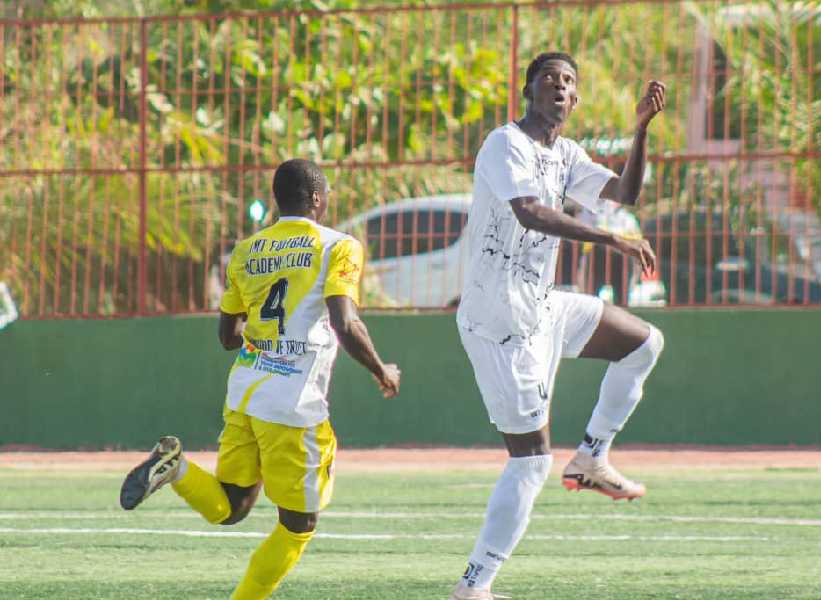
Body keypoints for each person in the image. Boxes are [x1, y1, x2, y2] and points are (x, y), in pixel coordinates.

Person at [119, 158, 401, 600]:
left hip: (245, 392)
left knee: (231, 507)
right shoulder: (338, 246)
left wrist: (265, 335)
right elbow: (345, 322)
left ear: (278, 200)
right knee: (298, 526)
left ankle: (177, 468)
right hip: (293, 403)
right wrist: (382, 370)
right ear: (317, 199)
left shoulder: (247, 252)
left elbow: (227, 337)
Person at [450, 52, 666, 600]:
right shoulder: (505, 144)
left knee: (643, 343)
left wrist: (640, 130)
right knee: (530, 462)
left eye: (569, 81)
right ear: (529, 90)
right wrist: (612, 238)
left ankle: (592, 456)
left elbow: (625, 194)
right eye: (549, 78)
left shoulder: (566, 154)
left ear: (576, 98)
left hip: (542, 307)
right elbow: (530, 211)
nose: (560, 87)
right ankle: (475, 585)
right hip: (498, 323)